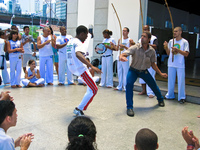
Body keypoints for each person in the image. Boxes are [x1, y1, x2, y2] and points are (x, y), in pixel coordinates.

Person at [119, 31, 168, 117]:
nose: (142, 38)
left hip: (144, 71)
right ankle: (129, 107)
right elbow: (124, 54)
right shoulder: (135, 47)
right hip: (133, 70)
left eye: (144, 36)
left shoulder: (151, 51)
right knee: (128, 85)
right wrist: (122, 57)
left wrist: (160, 74)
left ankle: (160, 99)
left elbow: (153, 64)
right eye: (141, 36)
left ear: (149, 39)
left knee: (153, 85)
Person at [66, 25, 102, 116]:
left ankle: (80, 108)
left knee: (91, 89)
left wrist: (89, 35)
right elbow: (78, 54)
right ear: (81, 34)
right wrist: (91, 66)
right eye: (86, 35)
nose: (86, 37)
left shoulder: (71, 41)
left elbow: (77, 51)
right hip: (80, 69)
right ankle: (79, 109)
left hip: (73, 67)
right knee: (94, 89)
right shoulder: (78, 43)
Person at [163, 27, 189, 104]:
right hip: (171, 63)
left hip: (180, 64)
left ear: (180, 32)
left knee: (181, 81)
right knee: (170, 80)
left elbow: (186, 54)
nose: (174, 33)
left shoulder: (184, 42)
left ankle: (181, 97)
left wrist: (177, 50)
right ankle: (170, 95)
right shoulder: (171, 41)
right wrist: (166, 47)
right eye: (174, 31)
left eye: (176, 31)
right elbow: (168, 53)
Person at [138, 25, 159, 98]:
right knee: (142, 75)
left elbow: (156, 46)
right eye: (144, 29)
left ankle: (151, 92)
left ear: (149, 30)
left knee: (150, 75)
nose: (145, 30)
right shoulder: (140, 39)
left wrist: (147, 44)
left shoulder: (153, 38)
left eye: (146, 29)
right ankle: (144, 90)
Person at [114, 27, 135, 91]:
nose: (123, 32)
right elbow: (117, 48)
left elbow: (131, 50)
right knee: (119, 72)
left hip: (125, 57)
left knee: (125, 72)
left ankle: (126, 87)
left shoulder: (130, 40)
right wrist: (113, 45)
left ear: (128, 32)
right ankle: (120, 86)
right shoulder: (120, 39)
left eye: (125, 31)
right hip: (119, 57)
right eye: (123, 31)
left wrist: (124, 46)